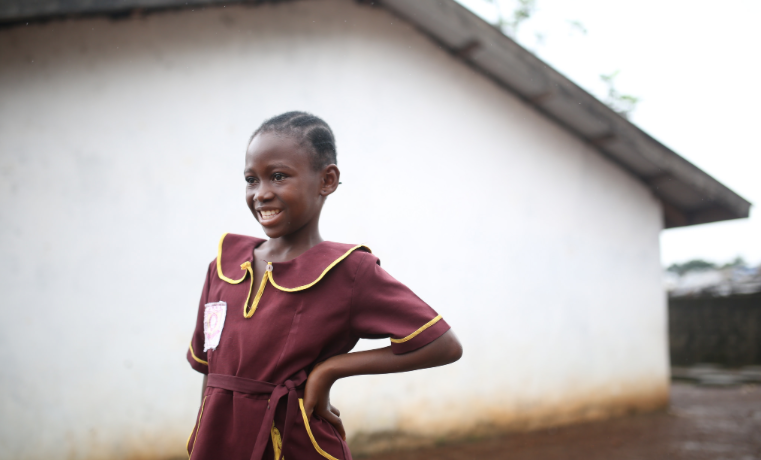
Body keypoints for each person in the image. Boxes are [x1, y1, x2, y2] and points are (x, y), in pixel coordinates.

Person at [185, 111, 463, 460]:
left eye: (278, 176)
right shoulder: (224, 267)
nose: (261, 194)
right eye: (251, 180)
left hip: (295, 446)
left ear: (327, 180)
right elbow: (211, 372)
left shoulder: (348, 271)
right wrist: (202, 443)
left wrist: (328, 371)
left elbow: (442, 345)